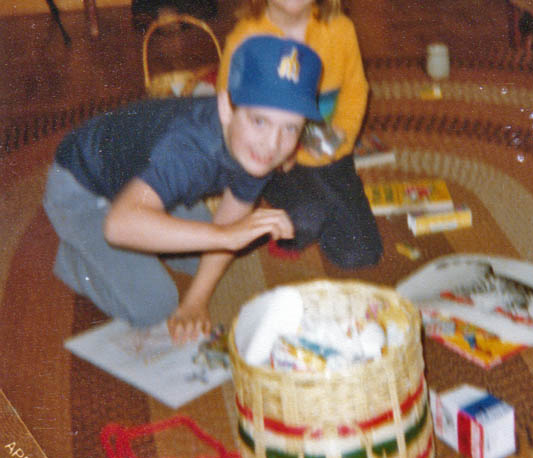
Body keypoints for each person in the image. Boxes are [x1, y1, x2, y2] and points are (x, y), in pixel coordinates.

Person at [43, 32, 323, 343]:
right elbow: (118, 225)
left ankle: (145, 224)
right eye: (260, 121)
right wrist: (225, 236)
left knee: (206, 258)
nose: (272, 144)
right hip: (81, 190)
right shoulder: (190, 147)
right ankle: (74, 258)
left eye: (290, 128)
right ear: (226, 108)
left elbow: (231, 215)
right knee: (154, 305)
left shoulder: (256, 149)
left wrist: (195, 302)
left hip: (145, 183)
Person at [217, 0, 383, 268]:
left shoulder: (340, 30)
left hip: (325, 150)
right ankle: (269, 202)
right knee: (306, 217)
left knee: (361, 254)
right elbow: (227, 106)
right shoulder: (246, 37)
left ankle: (312, 204)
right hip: (269, 157)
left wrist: (340, 138)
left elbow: (356, 91)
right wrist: (268, 155)